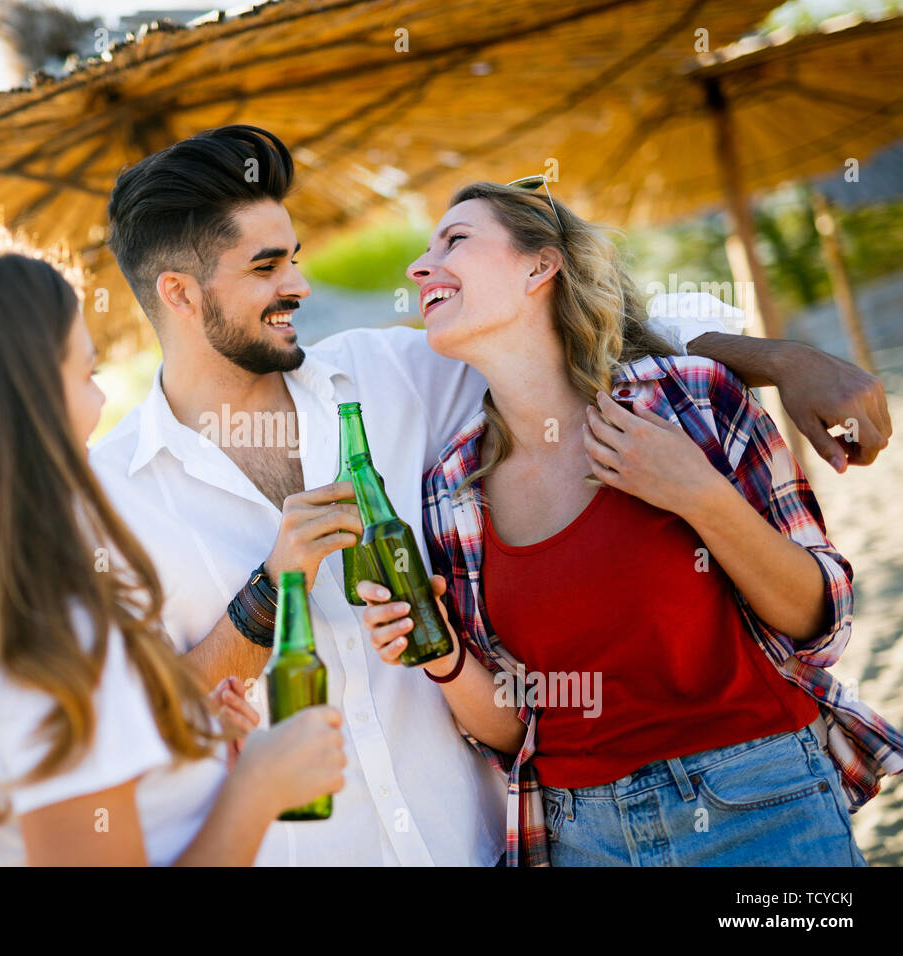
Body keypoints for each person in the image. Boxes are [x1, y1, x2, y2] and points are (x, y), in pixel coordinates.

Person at [88, 124, 891, 866]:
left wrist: (787, 360)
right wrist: (267, 597)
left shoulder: (389, 374)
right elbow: (117, 716)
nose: (299, 282)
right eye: (267, 267)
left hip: (485, 846)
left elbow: (577, 337)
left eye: (293, 254)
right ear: (181, 296)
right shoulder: (106, 498)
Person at [358, 179, 903, 866]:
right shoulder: (452, 487)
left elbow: (820, 621)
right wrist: (438, 654)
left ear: (540, 265)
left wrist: (699, 495)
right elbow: (513, 726)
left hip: (759, 807)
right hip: (578, 836)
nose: (419, 266)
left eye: (456, 240)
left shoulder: (690, 398)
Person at [0, 236, 346, 866]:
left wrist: (183, 749)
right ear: (23, 406)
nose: (100, 404)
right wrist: (258, 789)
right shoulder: (42, 642)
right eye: (86, 374)